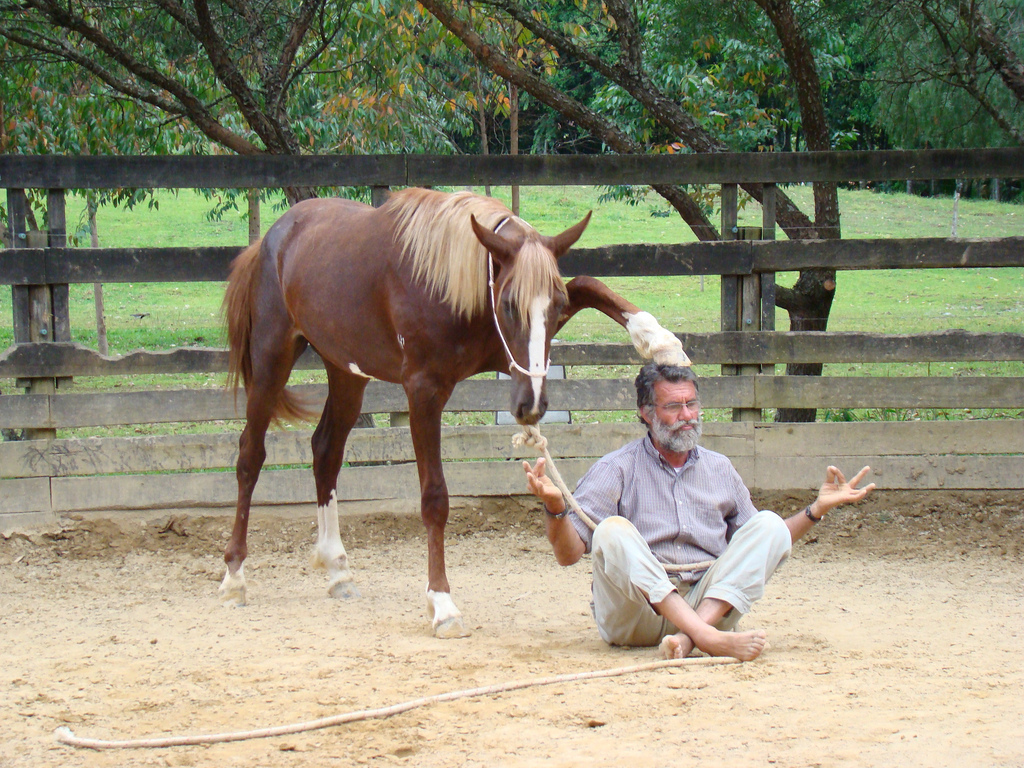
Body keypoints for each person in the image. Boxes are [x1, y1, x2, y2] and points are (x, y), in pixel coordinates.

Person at [523, 363, 875, 662]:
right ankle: (706, 638)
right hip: (637, 617)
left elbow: (759, 544)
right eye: (673, 407)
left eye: (692, 404)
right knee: (612, 530)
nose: (687, 416)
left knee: (768, 523)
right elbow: (568, 555)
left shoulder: (721, 468)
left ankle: (691, 638)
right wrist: (555, 507)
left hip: (709, 605)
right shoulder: (615, 468)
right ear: (646, 413)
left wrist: (816, 510)